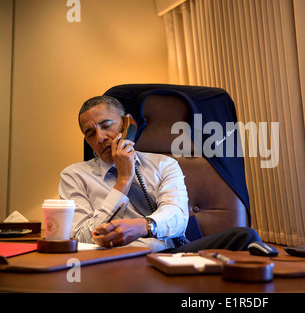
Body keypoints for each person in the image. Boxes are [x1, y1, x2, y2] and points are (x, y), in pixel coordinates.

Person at [59, 95, 260, 252]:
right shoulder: (74, 176)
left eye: (106, 125)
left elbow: (178, 216)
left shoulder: (164, 164)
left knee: (245, 236)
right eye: (91, 133)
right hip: (115, 257)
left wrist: (144, 226)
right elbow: (81, 237)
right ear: (87, 141)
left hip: (169, 253)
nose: (101, 137)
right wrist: (123, 179)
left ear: (128, 124)